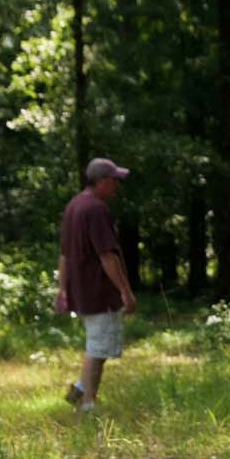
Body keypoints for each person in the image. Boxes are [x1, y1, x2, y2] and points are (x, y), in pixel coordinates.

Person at [55, 156, 137, 414]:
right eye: (114, 180)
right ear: (101, 181)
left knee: (97, 345)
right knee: (98, 349)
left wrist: (63, 289)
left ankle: (78, 391)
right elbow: (107, 255)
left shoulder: (74, 206)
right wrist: (125, 290)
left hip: (82, 291)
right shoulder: (96, 209)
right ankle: (87, 406)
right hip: (98, 292)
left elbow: (64, 254)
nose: (117, 186)